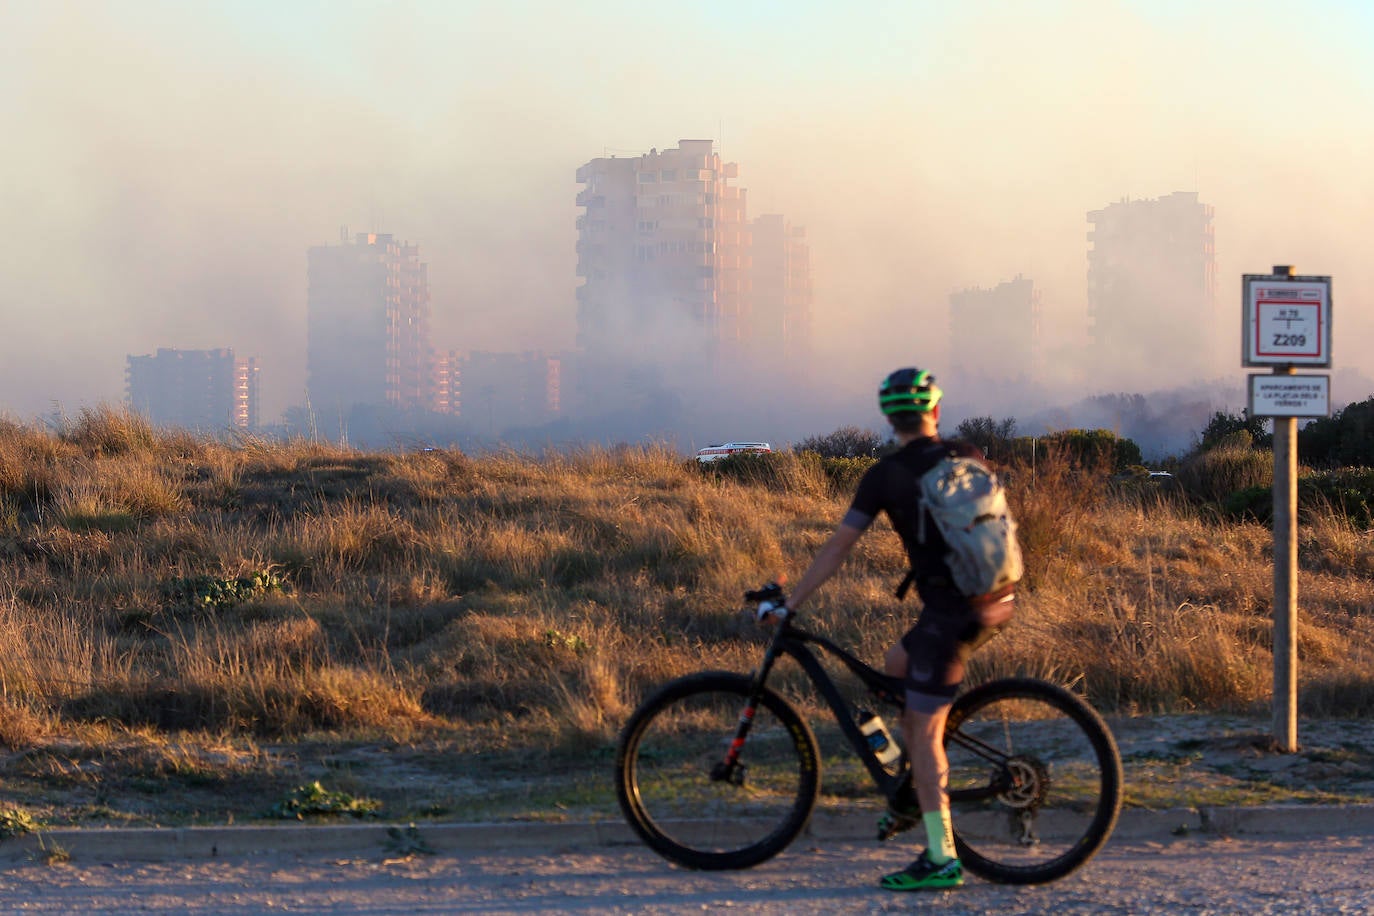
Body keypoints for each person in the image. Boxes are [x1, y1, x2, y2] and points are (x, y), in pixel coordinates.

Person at [758, 367, 1015, 892]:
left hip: (952, 617)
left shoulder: (886, 475)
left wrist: (791, 604)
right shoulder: (966, 453)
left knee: (923, 732)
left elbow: (838, 547)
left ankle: (941, 856)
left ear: (889, 418)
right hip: (994, 599)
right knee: (894, 671)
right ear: (935, 412)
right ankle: (909, 791)